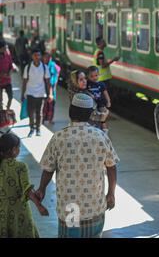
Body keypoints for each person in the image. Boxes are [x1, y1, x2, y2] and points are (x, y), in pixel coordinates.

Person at [37, 93, 119, 238]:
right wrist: (111, 194)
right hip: (94, 205)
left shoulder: (59, 137)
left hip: (70, 208)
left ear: (70, 112)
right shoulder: (100, 136)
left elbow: (48, 169)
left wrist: (41, 189)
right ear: (89, 114)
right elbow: (111, 167)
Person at [0, 132, 49, 238]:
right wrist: (39, 206)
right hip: (19, 211)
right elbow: (27, 189)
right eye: (18, 147)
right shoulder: (20, 166)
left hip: (2, 212)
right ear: (13, 150)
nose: (19, 150)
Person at [22, 49, 52, 137]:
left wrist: (49, 93)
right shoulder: (27, 67)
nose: (37, 57)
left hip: (40, 93)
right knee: (30, 113)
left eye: (39, 55)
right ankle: (31, 129)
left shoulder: (44, 67)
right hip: (30, 93)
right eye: (35, 55)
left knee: (39, 113)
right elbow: (24, 81)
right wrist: (22, 94)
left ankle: (38, 129)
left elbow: (48, 82)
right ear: (32, 56)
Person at [87, 66, 111, 132]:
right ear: (88, 76)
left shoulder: (101, 84)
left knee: (103, 116)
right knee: (93, 118)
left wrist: (108, 101)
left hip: (100, 103)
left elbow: (106, 93)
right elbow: (85, 92)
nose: (94, 78)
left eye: (96, 75)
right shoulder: (87, 84)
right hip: (91, 105)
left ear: (99, 75)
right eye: (91, 76)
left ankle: (104, 130)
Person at [42, 52, 60, 124]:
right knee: (44, 104)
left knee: (52, 104)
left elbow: (58, 71)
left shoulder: (53, 65)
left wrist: (55, 83)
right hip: (43, 87)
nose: (47, 59)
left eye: (49, 57)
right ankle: (42, 119)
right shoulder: (42, 66)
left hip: (52, 87)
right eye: (45, 57)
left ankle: (50, 119)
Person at [0, 40, 14, 110]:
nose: (6, 49)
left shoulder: (8, 54)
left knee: (11, 96)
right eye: (4, 48)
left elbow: (11, 65)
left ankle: (7, 109)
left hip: (7, 81)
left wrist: (10, 72)